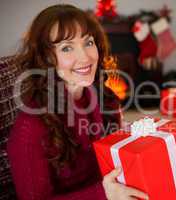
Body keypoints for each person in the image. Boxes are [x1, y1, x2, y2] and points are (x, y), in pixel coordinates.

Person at [7, 4, 149, 200]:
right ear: (47, 58)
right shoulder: (30, 127)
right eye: (66, 48)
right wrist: (103, 194)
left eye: (88, 42)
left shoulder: (104, 97)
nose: (84, 57)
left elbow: (115, 156)